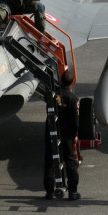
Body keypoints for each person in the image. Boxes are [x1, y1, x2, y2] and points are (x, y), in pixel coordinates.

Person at [43, 70, 80, 201]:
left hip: (52, 133)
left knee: (50, 161)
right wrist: (75, 134)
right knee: (70, 161)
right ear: (71, 83)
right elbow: (76, 120)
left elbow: (49, 112)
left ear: (61, 80)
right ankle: (73, 192)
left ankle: (49, 191)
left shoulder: (53, 96)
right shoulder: (73, 98)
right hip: (67, 135)